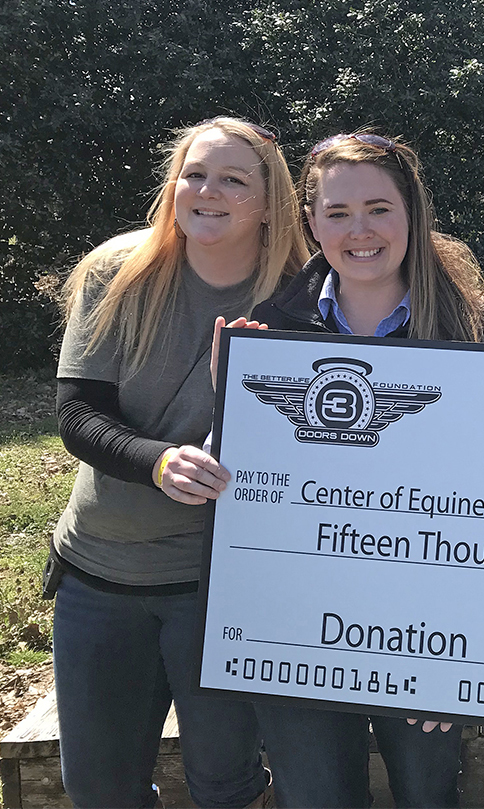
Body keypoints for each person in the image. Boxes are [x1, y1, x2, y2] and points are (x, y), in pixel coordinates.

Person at [243, 132, 484, 808]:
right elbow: (249, 491)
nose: (359, 230)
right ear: (311, 223)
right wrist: (229, 405)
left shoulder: (477, 330)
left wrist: (465, 646)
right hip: (299, 626)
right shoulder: (267, 333)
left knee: (427, 794)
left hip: (426, 629)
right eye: (337, 213)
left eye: (379, 208)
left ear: (412, 213)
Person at [52, 117, 307, 808]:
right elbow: (78, 415)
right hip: (99, 573)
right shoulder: (117, 271)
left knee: (226, 784)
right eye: (194, 174)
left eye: (233, 179)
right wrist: (160, 462)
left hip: (219, 585)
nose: (207, 190)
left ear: (270, 201)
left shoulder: (300, 299)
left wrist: (240, 401)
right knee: (98, 788)